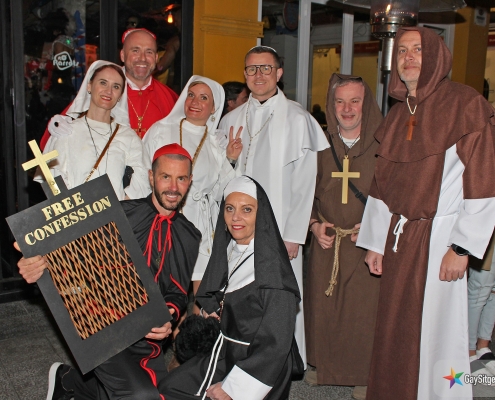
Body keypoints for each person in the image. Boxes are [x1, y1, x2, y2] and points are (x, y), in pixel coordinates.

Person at [356, 27, 495, 400]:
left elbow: (484, 182)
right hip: (399, 239)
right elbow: (382, 185)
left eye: (417, 49)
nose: (408, 57)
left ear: (436, 56)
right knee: (395, 327)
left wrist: (462, 247)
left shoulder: (465, 104)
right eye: (402, 50)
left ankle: (446, 394)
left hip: (441, 238)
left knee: (441, 335)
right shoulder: (398, 114)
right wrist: (375, 243)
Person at [18, 144, 201, 400]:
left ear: (190, 181)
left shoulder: (190, 235)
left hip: (147, 337)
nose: (173, 187)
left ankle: (70, 381)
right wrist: (37, 265)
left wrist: (169, 315)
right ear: (151, 177)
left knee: (163, 394)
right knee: (140, 395)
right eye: (165, 177)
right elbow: (72, 257)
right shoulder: (118, 214)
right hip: (101, 325)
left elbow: (177, 291)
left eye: (181, 178)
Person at [219, 45, 329, 364]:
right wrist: (229, 159)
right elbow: (221, 175)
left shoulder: (298, 118)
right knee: (238, 287)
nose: (259, 75)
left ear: (279, 73)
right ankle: (240, 353)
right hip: (238, 224)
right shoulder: (231, 119)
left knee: (280, 295)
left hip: (280, 227)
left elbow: (305, 182)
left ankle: (283, 360)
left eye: (266, 68)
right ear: (244, 74)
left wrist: (294, 234)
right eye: (252, 69)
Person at [162, 176, 302, 400]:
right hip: (223, 352)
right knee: (167, 387)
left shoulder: (273, 273)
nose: (236, 217)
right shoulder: (230, 250)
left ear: (261, 215)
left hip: (255, 367)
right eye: (229, 208)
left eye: (247, 209)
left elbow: (275, 345)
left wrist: (233, 388)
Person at [304, 74, 382, 400]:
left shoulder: (382, 145)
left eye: (355, 101)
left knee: (363, 310)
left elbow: (393, 194)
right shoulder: (319, 144)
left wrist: (376, 229)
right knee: (324, 306)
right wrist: (312, 225)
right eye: (340, 101)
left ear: (367, 105)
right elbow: (303, 191)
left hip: (364, 243)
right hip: (328, 238)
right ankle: (323, 366)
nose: (347, 109)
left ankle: (364, 374)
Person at [144, 75, 241, 311]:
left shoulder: (216, 142)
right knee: (162, 293)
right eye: (191, 95)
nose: (195, 102)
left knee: (202, 298)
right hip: (162, 220)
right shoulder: (161, 130)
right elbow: (143, 175)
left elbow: (220, 191)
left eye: (204, 98)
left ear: (214, 107)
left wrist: (229, 158)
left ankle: (197, 333)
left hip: (200, 224)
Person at [39, 27, 179, 149]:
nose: (142, 58)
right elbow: (56, 138)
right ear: (122, 55)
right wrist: (56, 129)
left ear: (156, 57)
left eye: (149, 52)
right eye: (135, 50)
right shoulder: (103, 90)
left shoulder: (171, 98)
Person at [37, 60, 151, 201]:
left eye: (116, 86)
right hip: (74, 212)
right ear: (89, 86)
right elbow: (52, 177)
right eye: (103, 83)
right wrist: (74, 206)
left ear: (121, 95)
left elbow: (144, 177)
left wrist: (122, 204)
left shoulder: (128, 137)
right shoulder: (67, 130)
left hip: (113, 213)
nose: (108, 91)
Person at [468, 233, 495, 371]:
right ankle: (469, 350)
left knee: (493, 291)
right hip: (487, 229)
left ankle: (483, 346)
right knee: (479, 290)